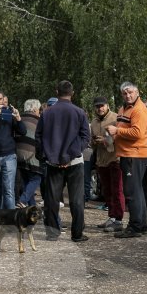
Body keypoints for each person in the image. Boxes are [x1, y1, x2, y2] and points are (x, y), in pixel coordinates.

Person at [35, 80, 90, 242]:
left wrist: (45, 156)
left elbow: (38, 138)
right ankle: (77, 234)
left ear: (56, 92)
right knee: (77, 200)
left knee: (51, 200)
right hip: (74, 162)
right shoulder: (80, 113)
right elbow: (85, 138)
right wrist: (71, 155)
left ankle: (52, 233)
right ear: (72, 93)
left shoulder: (46, 113)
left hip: (53, 162)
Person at [105, 81, 147, 238]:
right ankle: (141, 225)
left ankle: (135, 226)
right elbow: (125, 130)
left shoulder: (139, 110)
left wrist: (117, 130)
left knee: (131, 192)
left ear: (137, 92)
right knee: (136, 191)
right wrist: (113, 136)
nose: (128, 95)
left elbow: (137, 133)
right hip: (127, 154)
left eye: (130, 92)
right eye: (125, 93)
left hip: (135, 155)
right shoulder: (123, 109)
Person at [90, 96, 125, 232]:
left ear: (107, 105)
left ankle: (119, 220)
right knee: (107, 191)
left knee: (117, 191)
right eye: (97, 106)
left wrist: (105, 140)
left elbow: (121, 138)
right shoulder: (93, 122)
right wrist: (93, 142)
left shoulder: (116, 118)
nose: (100, 108)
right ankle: (111, 217)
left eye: (102, 106)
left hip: (115, 159)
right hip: (101, 161)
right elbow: (91, 143)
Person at [15, 99, 43, 207]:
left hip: (18, 155)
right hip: (32, 155)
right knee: (36, 178)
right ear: (35, 109)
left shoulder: (19, 118)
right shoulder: (39, 121)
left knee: (27, 182)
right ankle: (23, 200)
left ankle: (32, 208)